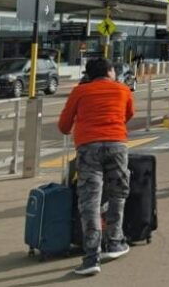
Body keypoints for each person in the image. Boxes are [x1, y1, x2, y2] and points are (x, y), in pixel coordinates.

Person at [57, 58, 135, 276]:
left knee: (90, 200)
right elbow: (128, 114)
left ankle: (91, 257)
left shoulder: (79, 92)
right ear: (109, 72)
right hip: (117, 145)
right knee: (118, 193)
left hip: (88, 147)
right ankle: (115, 242)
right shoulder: (123, 89)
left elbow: (64, 126)